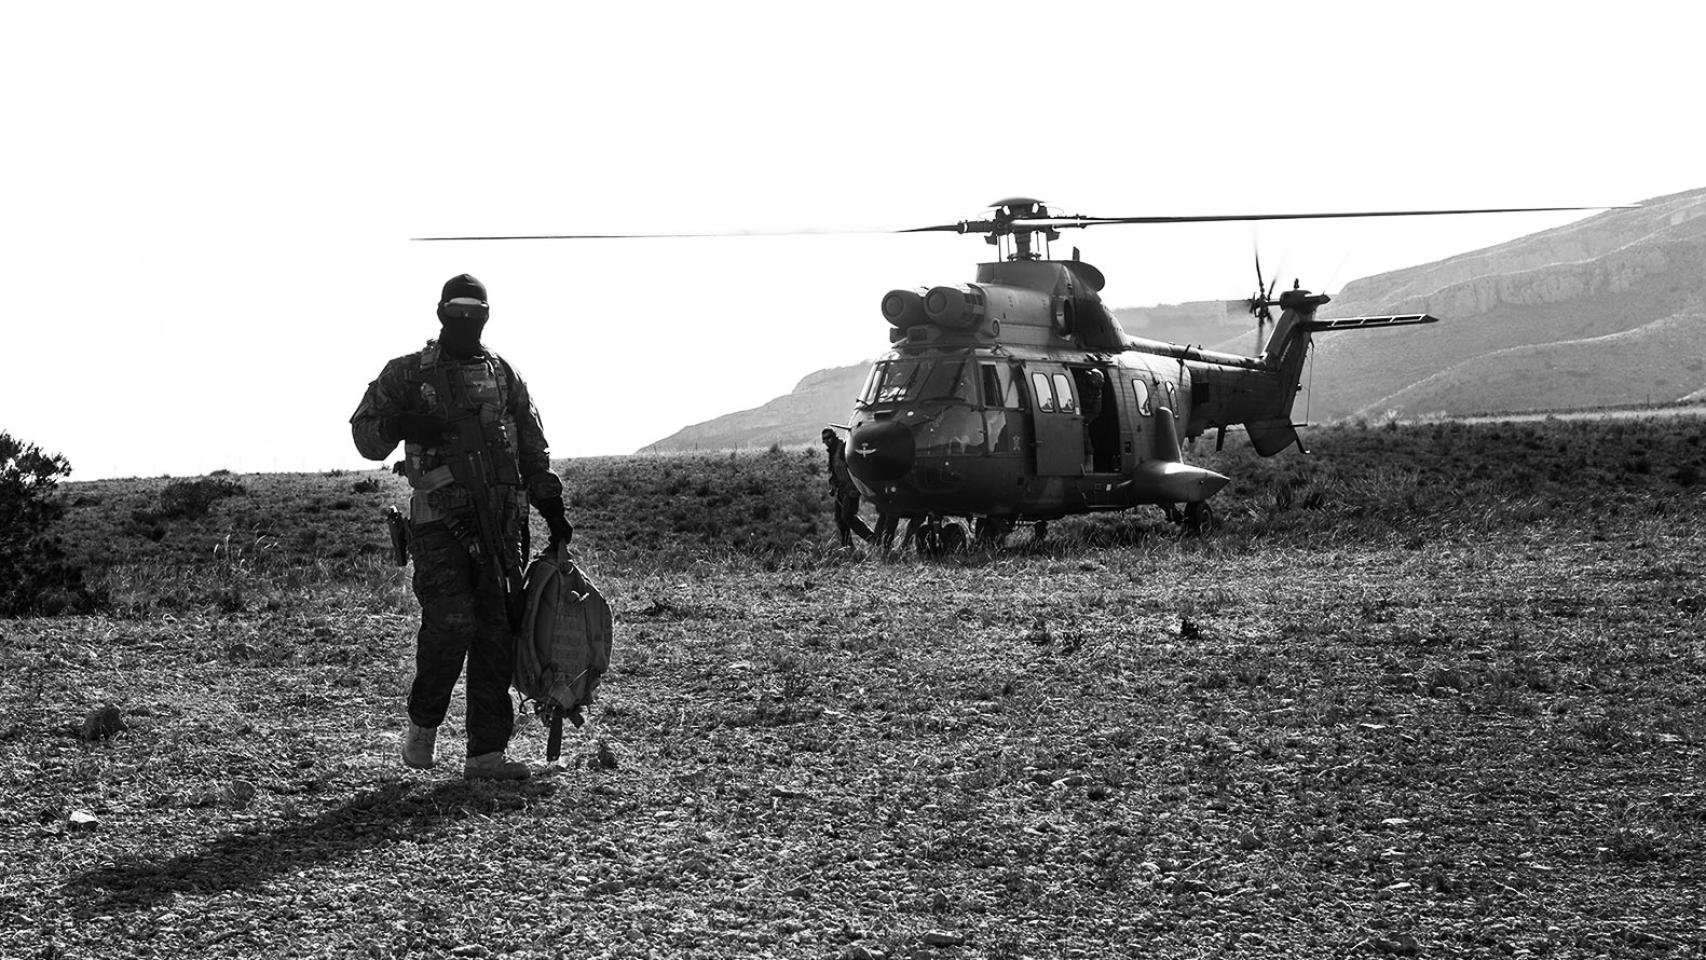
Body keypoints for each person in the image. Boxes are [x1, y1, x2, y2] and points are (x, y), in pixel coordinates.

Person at [350, 274, 573, 781]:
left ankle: (486, 753)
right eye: (458, 308)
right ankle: (423, 730)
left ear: (487, 313)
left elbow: (533, 447)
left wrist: (551, 508)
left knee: (497, 632)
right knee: (451, 624)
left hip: (501, 523)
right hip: (439, 524)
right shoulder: (407, 373)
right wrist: (405, 423)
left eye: (476, 309)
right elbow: (365, 436)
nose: (467, 317)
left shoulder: (503, 373)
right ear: (440, 312)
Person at [822, 427, 873, 546]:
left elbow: (856, 467)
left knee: (848, 517)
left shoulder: (843, 448)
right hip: (840, 489)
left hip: (850, 489)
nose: (827, 441)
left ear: (834, 436)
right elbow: (834, 471)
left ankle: (873, 539)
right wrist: (832, 486)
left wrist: (855, 487)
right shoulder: (832, 452)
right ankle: (847, 547)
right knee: (840, 520)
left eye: (829, 437)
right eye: (824, 439)